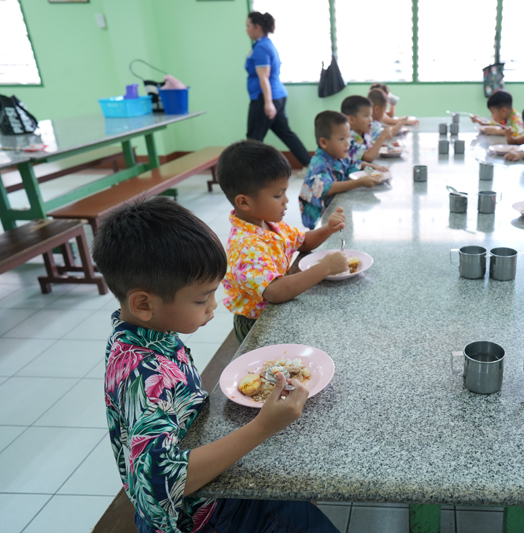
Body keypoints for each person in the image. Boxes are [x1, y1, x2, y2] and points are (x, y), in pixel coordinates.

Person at [92, 196, 339, 533]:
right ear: (143, 304)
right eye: (201, 298)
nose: (214, 305)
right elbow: (160, 485)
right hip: (207, 517)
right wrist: (263, 426)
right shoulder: (144, 374)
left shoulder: (142, 334)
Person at [216, 140, 349, 344]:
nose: (286, 200)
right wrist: (325, 268)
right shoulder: (246, 245)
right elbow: (275, 291)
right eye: (278, 195)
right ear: (244, 202)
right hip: (258, 324)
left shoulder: (269, 223)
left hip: (277, 310)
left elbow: (303, 242)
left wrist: (328, 229)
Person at [245, 11, 311, 170]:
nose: (247, 30)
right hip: (277, 96)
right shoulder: (265, 44)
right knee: (285, 133)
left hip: (265, 98)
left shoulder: (261, 47)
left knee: (253, 139)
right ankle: (310, 164)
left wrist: (268, 103)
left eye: (248, 26)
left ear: (257, 27)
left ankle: (248, 175)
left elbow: (264, 76)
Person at [299, 111, 383, 229]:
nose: (347, 143)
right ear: (324, 143)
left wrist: (374, 168)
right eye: (342, 138)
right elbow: (327, 188)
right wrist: (360, 182)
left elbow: (353, 163)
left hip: (335, 210)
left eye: (348, 137)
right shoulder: (319, 164)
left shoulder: (337, 156)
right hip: (320, 218)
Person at [341, 94, 395, 163]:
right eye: (366, 116)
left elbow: (370, 147)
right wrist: (382, 138)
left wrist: (387, 145)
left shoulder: (364, 134)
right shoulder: (349, 138)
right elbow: (369, 157)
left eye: (371, 115)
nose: (370, 119)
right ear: (351, 119)